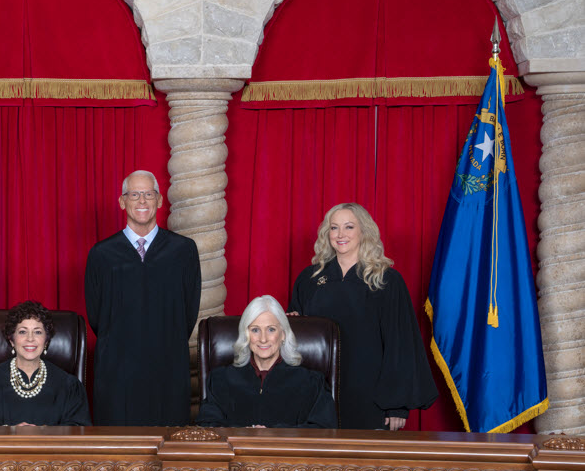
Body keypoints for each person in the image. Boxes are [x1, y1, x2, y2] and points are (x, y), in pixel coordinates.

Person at [289, 202, 437, 430]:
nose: (340, 235)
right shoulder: (309, 279)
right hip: (317, 396)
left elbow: (400, 344)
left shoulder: (387, 280)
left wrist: (396, 405)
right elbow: (298, 340)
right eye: (334, 227)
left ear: (363, 232)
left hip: (371, 395)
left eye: (348, 227)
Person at [85, 170, 201, 426]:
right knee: (119, 452)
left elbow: (189, 310)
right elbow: (96, 315)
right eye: (134, 194)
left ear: (160, 200)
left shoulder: (183, 251)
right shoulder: (101, 255)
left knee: (168, 451)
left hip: (167, 365)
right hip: (118, 369)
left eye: (149, 194)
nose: (142, 201)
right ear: (122, 201)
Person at [197, 296, 336, 428]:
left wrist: (273, 434)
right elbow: (207, 428)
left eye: (271, 329)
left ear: (283, 334)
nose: (263, 339)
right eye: (255, 330)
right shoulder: (220, 380)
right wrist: (245, 433)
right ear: (246, 334)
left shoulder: (312, 383)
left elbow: (325, 431)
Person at [0, 301, 91, 426]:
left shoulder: (69, 386)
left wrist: (43, 434)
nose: (30, 339)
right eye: (22, 332)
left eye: (38, 332)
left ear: (46, 340)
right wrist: (10, 432)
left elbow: (79, 433)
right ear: (11, 340)